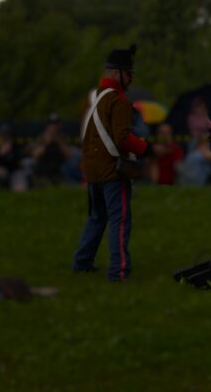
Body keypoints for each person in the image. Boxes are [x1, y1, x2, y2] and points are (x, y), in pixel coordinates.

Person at [72, 43, 155, 281]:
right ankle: (118, 271)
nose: (130, 79)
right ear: (117, 73)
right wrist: (146, 149)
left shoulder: (94, 97)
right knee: (119, 221)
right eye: (128, 73)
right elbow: (122, 139)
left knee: (97, 218)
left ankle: (82, 263)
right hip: (112, 170)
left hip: (92, 169)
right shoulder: (118, 102)